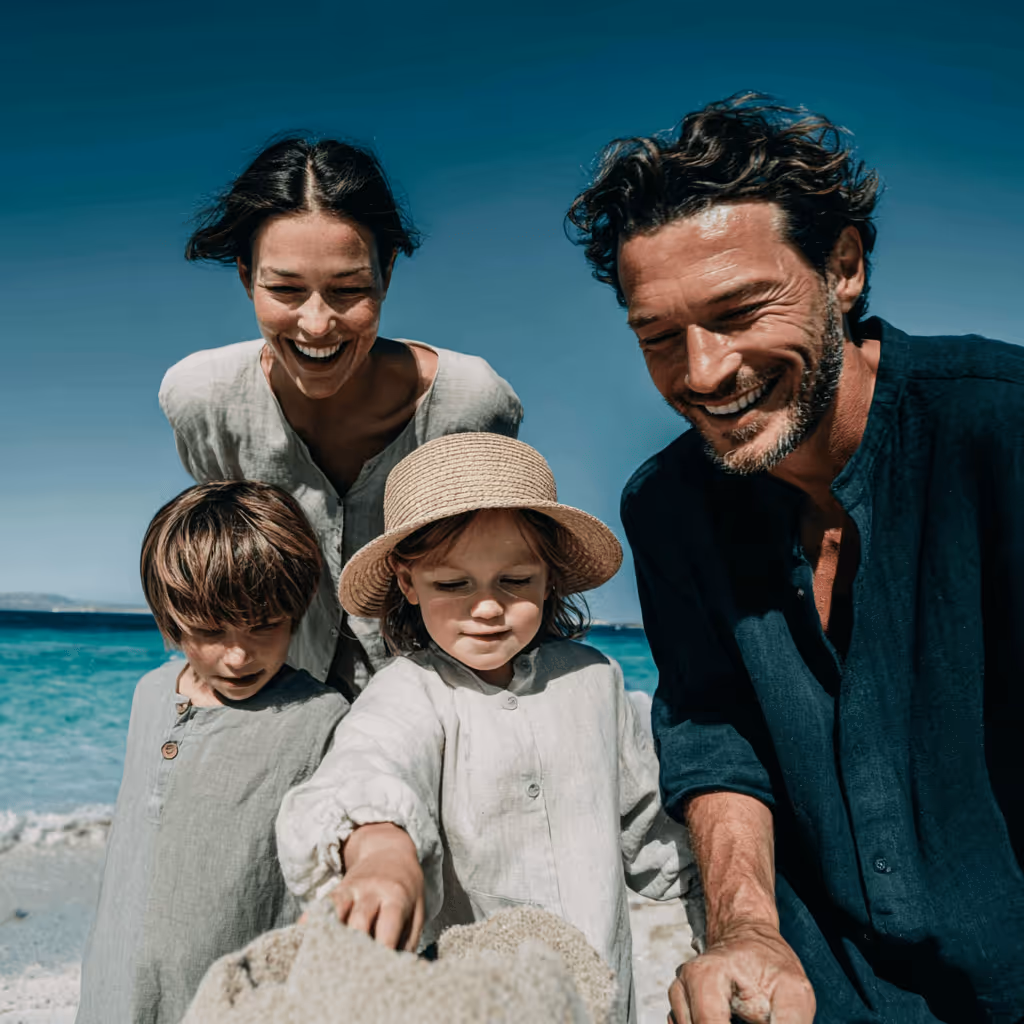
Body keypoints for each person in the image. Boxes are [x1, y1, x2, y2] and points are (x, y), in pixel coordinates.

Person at [567, 93, 1024, 1024]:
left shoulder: (1002, 428)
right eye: (658, 336)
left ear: (844, 268)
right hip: (823, 992)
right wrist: (746, 930)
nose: (701, 372)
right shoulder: (665, 505)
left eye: (740, 312)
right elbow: (713, 733)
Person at [275, 433, 700, 1024]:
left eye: (515, 580)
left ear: (549, 576)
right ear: (407, 582)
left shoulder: (595, 682)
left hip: (598, 1004)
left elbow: (657, 835)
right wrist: (380, 853)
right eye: (452, 584)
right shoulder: (408, 692)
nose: (487, 608)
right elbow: (369, 766)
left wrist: (729, 928)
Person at [160, 136, 522, 700]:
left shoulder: (470, 402)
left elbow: (500, 568)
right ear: (244, 277)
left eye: (349, 289)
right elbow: (223, 559)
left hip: (439, 704)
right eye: (284, 289)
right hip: (277, 702)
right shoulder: (203, 399)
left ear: (388, 273)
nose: (317, 324)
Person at [76, 481, 349, 1024]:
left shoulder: (323, 717)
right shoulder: (150, 693)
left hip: (238, 1002)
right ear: (170, 617)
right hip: (114, 982)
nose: (238, 654)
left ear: (296, 611)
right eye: (208, 630)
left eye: (265, 625)